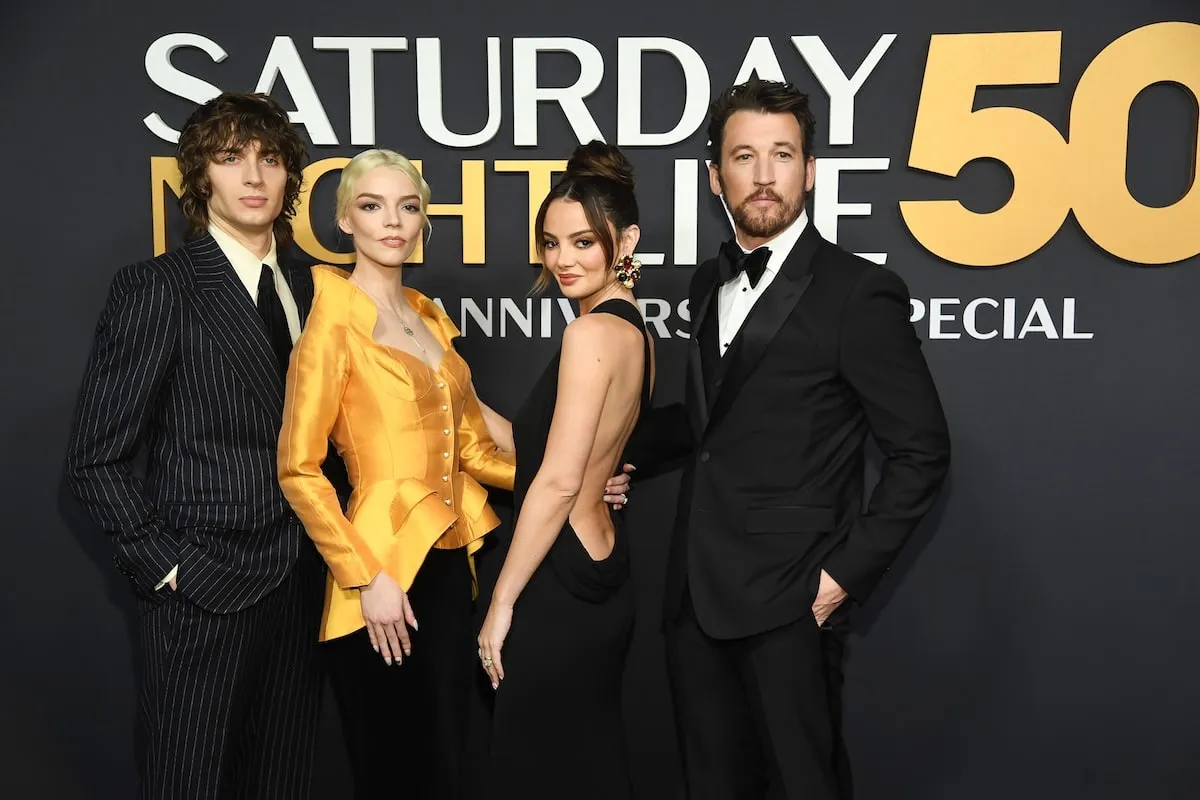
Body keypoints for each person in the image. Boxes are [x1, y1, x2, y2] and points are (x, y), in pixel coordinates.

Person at [629, 77, 952, 799]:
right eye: (745, 156)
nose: (765, 174)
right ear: (716, 177)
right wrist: (617, 454)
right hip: (695, 599)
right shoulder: (706, 282)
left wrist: (838, 581)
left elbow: (922, 451)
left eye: (783, 154)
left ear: (809, 171)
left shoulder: (857, 292)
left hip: (790, 603)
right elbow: (710, 422)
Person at [276, 148, 632, 799]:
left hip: (449, 570)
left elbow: (473, 448)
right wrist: (365, 580)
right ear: (344, 220)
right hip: (379, 576)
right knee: (392, 768)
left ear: (423, 220)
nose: (393, 222)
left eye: (408, 206)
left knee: (446, 766)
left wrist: (574, 476)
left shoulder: (426, 315)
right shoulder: (330, 322)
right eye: (372, 206)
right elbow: (299, 471)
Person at [65, 92, 330, 799]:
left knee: (284, 783)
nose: (253, 175)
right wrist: (169, 569)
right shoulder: (160, 289)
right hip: (204, 590)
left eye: (269, 159)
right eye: (230, 157)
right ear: (201, 177)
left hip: (307, 583)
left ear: (289, 177)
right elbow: (96, 458)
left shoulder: (317, 287)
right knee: (191, 783)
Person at [477, 141, 653, 800]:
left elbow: (554, 480)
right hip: (604, 564)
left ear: (625, 239)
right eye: (551, 244)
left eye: (583, 242)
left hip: (556, 577)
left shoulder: (587, 336)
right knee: (585, 759)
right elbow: (545, 451)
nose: (563, 260)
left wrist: (501, 602)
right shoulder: (631, 326)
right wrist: (458, 396)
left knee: (535, 767)